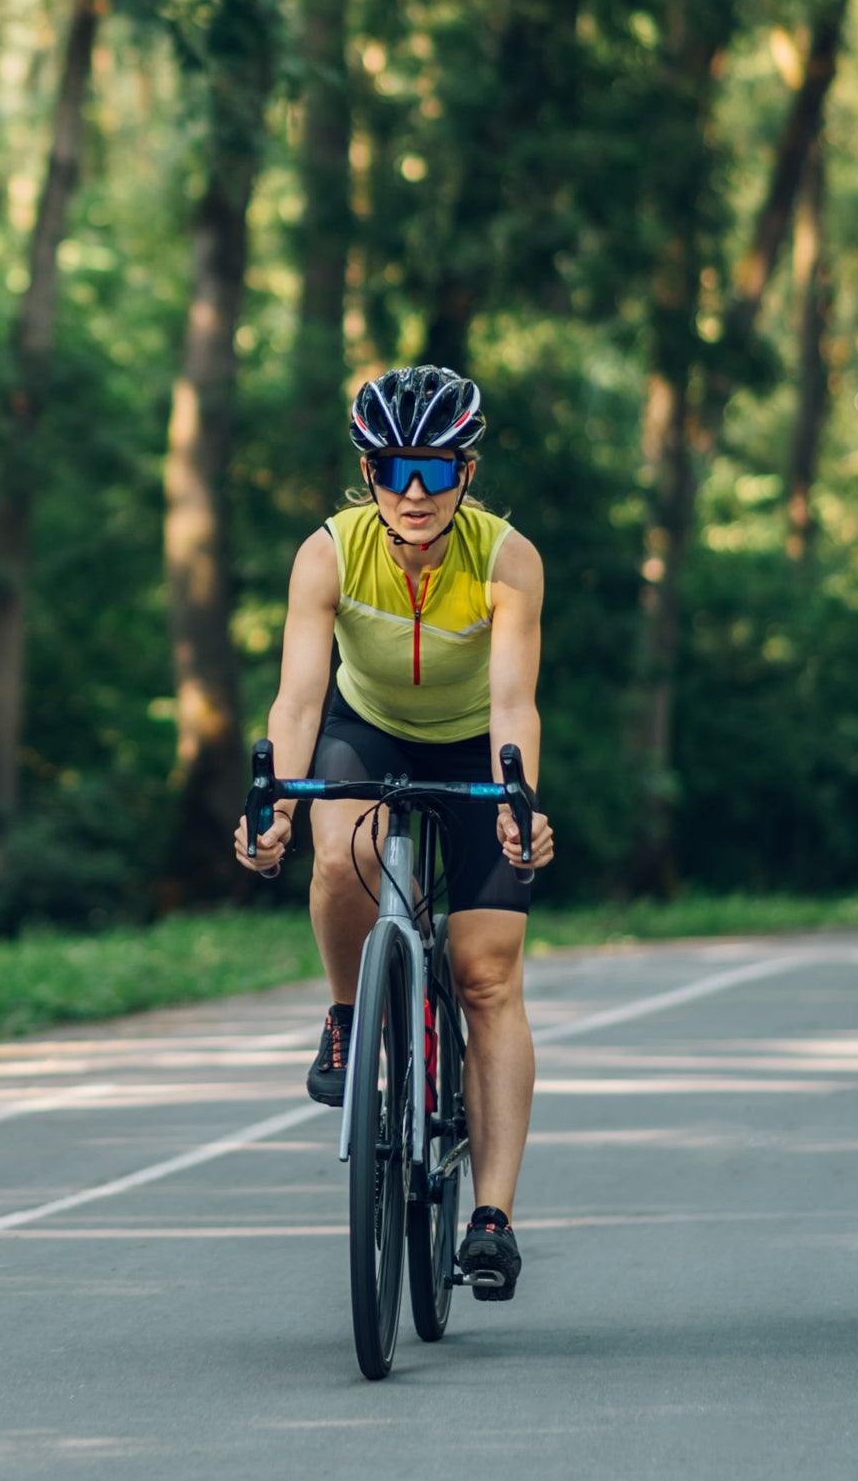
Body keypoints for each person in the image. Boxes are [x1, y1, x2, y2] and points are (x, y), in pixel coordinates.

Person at [232, 364, 555, 1302]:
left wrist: (513, 800)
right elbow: (297, 697)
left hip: (473, 737)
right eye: (392, 469)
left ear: (468, 469)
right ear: (367, 470)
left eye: (437, 470)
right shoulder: (328, 554)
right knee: (342, 856)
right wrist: (279, 807)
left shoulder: (508, 559)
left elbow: (512, 701)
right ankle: (347, 1016)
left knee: (488, 974)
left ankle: (490, 1217)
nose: (415, 493)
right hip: (363, 725)